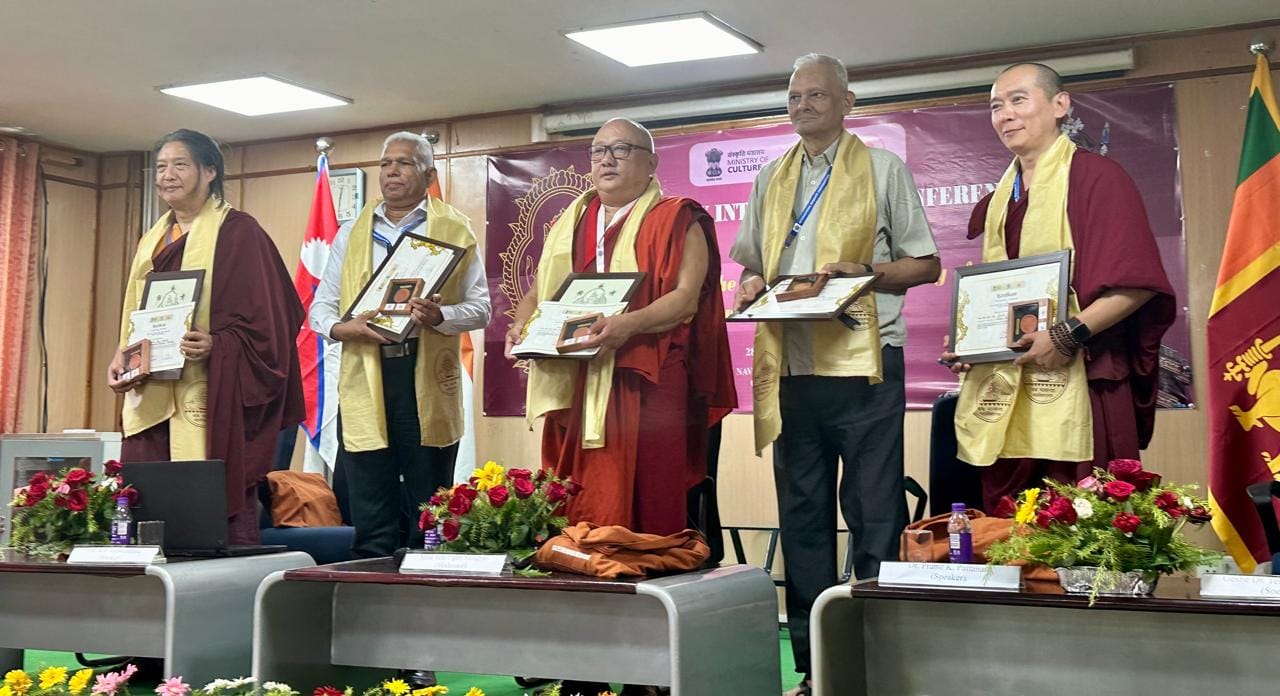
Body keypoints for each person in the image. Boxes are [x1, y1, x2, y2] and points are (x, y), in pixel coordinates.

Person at [729, 54, 940, 696]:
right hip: (793, 363)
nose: (802, 105)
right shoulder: (770, 177)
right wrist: (752, 283)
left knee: (875, 512)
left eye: (816, 95)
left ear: (847, 102)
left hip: (867, 364)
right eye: (794, 96)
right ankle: (816, 667)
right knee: (802, 517)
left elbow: (926, 264)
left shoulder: (882, 168)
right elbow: (751, 266)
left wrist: (866, 274)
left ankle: (874, 664)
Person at [505, 116, 735, 696]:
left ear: (651, 162)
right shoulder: (571, 218)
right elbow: (540, 293)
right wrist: (522, 327)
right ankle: (583, 665)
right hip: (577, 386)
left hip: (646, 387)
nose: (606, 160)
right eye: (598, 150)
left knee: (643, 513)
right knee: (574, 514)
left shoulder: (677, 216)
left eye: (622, 150)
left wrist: (624, 326)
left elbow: (686, 298)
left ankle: (650, 669)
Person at [941, 63, 1174, 511]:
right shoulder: (999, 201)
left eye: (1018, 100)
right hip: (1011, 389)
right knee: (1012, 528)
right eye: (996, 106)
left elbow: (1138, 283)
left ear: (1060, 104)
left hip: (1084, 378)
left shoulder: (1098, 178)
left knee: (1084, 524)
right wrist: (973, 345)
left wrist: (1068, 334)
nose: (1006, 114)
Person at [108, 128, 304, 545]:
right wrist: (121, 357)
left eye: (180, 165)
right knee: (150, 505)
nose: (167, 175)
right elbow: (136, 316)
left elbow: (273, 321)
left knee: (206, 508)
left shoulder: (239, 232)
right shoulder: (153, 239)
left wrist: (219, 343)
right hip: (153, 393)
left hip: (211, 395)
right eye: (161, 167)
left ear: (210, 171)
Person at [310, 131, 490, 562]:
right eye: (386, 163)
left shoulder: (454, 229)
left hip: (424, 375)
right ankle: (371, 578)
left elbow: (481, 308)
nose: (392, 171)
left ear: (428, 175)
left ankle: (424, 582)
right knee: (371, 500)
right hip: (367, 375)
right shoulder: (351, 232)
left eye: (405, 163)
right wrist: (343, 329)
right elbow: (321, 307)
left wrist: (441, 316)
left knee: (429, 505)